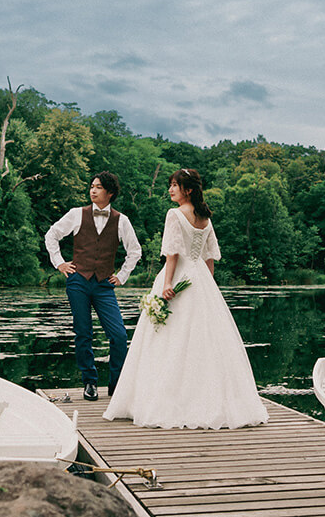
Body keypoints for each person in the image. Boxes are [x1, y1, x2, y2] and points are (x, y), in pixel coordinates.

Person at [103, 168, 268, 429]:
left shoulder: (175, 215)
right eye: (170, 185)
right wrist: (209, 287)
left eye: (175, 186)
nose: (170, 190)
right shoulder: (205, 218)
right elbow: (209, 257)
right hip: (200, 278)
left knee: (168, 339)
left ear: (188, 190)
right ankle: (212, 399)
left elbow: (172, 253)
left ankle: (168, 401)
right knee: (205, 342)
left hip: (179, 275)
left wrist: (167, 284)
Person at [45, 171, 142, 401]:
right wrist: (59, 263)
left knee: (118, 335)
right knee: (83, 333)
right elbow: (52, 235)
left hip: (104, 284)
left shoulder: (122, 220)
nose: (93, 190)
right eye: (91, 186)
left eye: (98, 187)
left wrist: (122, 276)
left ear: (110, 193)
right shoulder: (77, 214)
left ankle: (116, 385)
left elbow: (135, 250)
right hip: (78, 281)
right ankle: (90, 382)